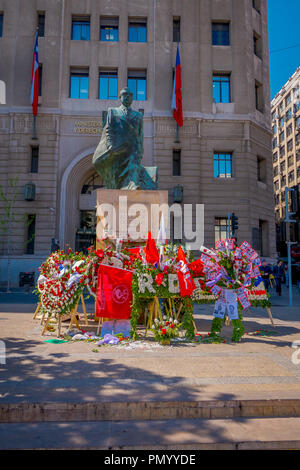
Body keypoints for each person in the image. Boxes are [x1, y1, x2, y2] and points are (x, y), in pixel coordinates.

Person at [92, 87, 157, 190]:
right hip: (117, 148)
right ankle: (122, 185)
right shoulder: (113, 112)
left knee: (133, 164)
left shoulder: (138, 115)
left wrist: (140, 151)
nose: (127, 97)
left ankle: (132, 185)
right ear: (120, 97)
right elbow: (108, 130)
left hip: (132, 149)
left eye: (130, 95)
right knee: (98, 162)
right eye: (125, 94)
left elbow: (140, 135)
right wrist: (110, 145)